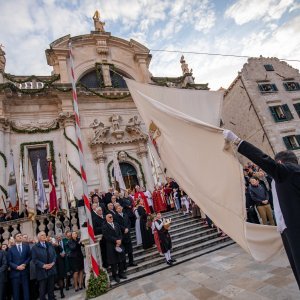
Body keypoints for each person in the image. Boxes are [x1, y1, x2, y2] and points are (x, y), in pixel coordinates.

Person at [223, 129, 300, 289]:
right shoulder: (286, 177)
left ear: (280, 164)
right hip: (287, 229)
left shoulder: (289, 172)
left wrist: (237, 140)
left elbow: (263, 160)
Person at [31, 231, 56, 300]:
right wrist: (43, 265)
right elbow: (34, 260)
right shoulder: (35, 247)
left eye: (45, 235)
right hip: (41, 271)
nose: (44, 236)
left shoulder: (49, 244)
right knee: (42, 290)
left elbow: (54, 255)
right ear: (38, 237)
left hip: (51, 269)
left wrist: (53, 263)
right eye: (42, 235)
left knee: (51, 289)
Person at [102, 214, 126, 283]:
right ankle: (115, 276)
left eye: (112, 216)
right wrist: (116, 240)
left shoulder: (116, 224)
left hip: (119, 244)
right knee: (114, 262)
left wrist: (120, 240)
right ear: (107, 218)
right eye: (110, 217)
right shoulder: (105, 226)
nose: (111, 218)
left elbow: (120, 233)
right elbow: (107, 236)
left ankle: (121, 273)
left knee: (121, 260)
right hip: (111, 246)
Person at [7, 232, 31, 300]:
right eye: (18, 236)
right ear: (15, 238)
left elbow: (29, 257)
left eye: (21, 235)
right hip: (15, 274)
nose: (20, 236)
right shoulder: (11, 249)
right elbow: (9, 261)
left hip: (24, 272)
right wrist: (17, 267)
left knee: (26, 291)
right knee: (16, 293)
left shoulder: (26, 246)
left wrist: (25, 264)